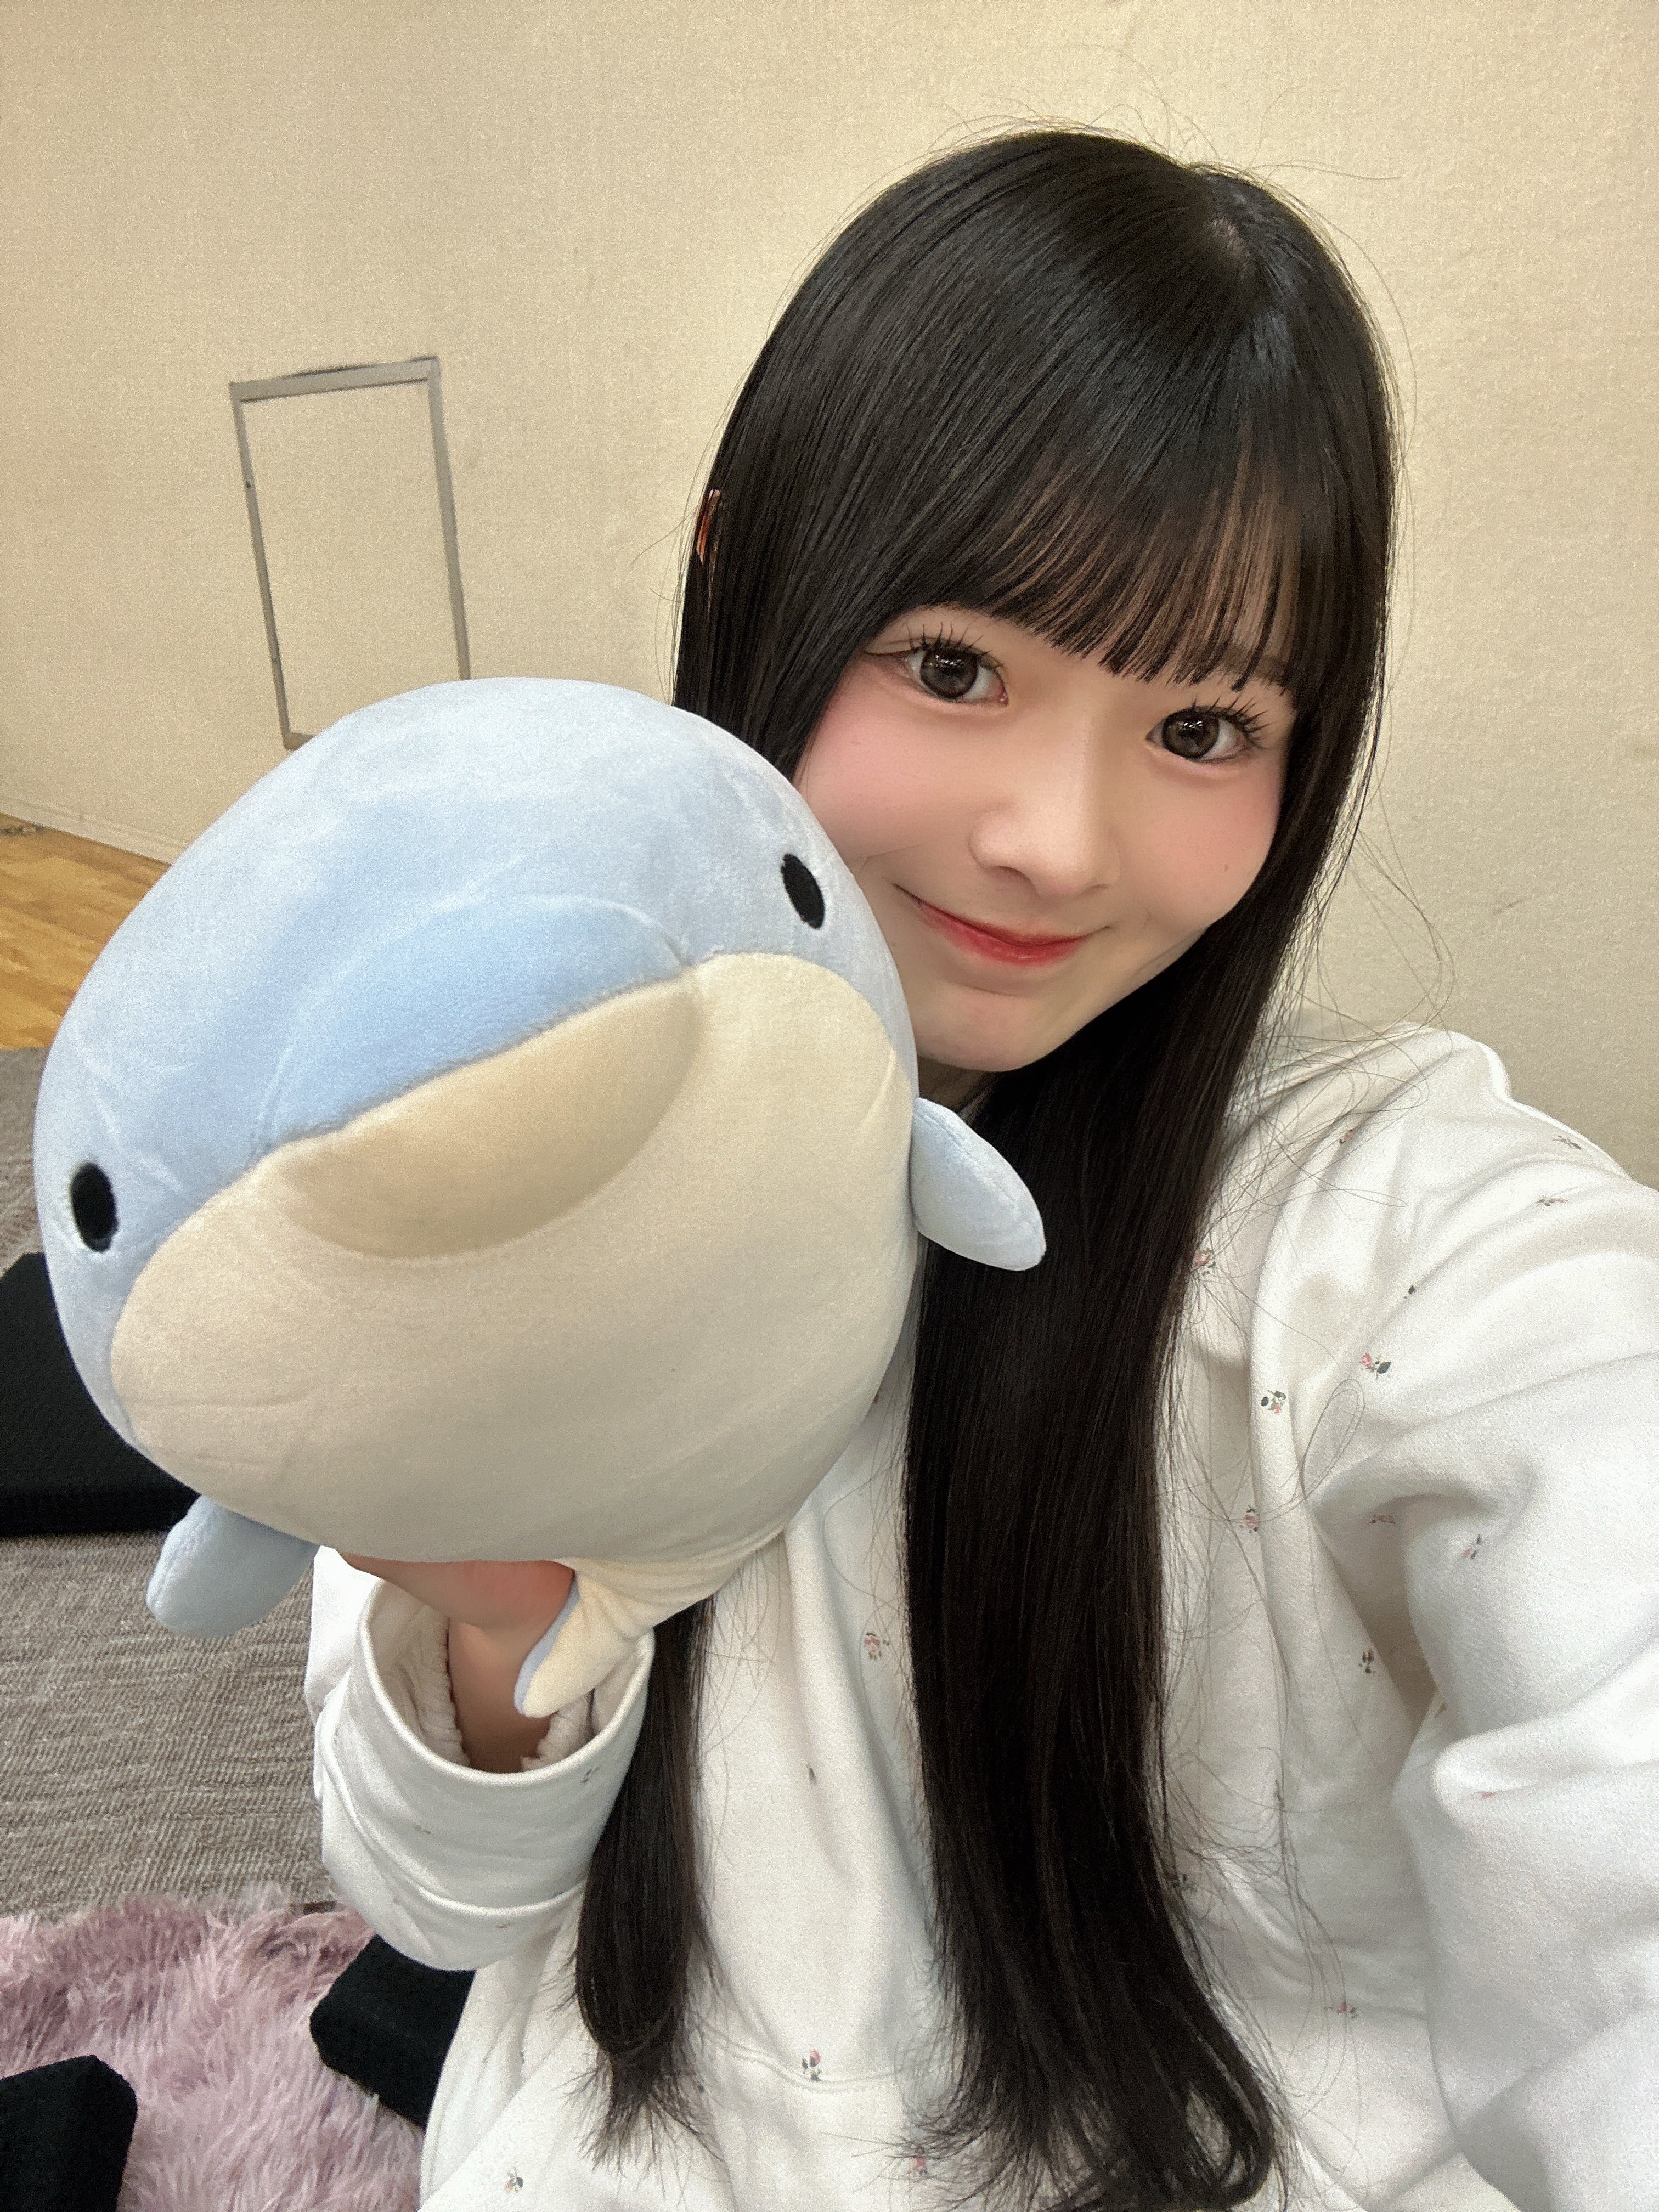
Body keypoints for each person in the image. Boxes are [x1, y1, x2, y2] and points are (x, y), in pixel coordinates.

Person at [306, 129, 1659, 2210]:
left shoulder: (1386, 1226)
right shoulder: (520, 1151)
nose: (1053, 841)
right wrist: (497, 1637)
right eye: (955, 668)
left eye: (1202, 727)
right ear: (736, 574)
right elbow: (438, 1900)